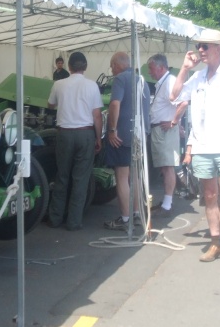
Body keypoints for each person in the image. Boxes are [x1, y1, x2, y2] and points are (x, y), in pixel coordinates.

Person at [170, 29, 220, 270]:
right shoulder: (197, 77)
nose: (201, 51)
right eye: (199, 46)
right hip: (203, 145)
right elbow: (174, 96)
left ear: (218, 48)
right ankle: (216, 242)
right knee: (209, 196)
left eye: (205, 46)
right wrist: (184, 68)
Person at [47, 51, 103, 231]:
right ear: (85, 67)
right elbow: (97, 115)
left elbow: (50, 104)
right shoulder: (92, 85)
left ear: (69, 67)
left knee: (62, 176)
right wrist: (98, 137)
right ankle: (74, 221)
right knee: (81, 179)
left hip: (64, 133)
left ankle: (55, 218)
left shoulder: (58, 84)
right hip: (85, 133)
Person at [103, 52, 150, 230]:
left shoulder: (121, 79)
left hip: (123, 134)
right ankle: (136, 214)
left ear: (117, 64)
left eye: (111, 65)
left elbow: (115, 104)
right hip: (139, 134)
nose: (112, 69)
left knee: (122, 176)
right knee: (135, 175)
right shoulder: (142, 80)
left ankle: (124, 219)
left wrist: (112, 130)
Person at [147, 53, 183, 218]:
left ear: (161, 67)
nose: (150, 72)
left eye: (152, 68)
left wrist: (174, 122)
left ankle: (167, 205)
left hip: (165, 130)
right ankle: (166, 201)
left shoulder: (170, 81)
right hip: (161, 129)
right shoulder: (165, 81)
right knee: (165, 166)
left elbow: (183, 102)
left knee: (168, 166)